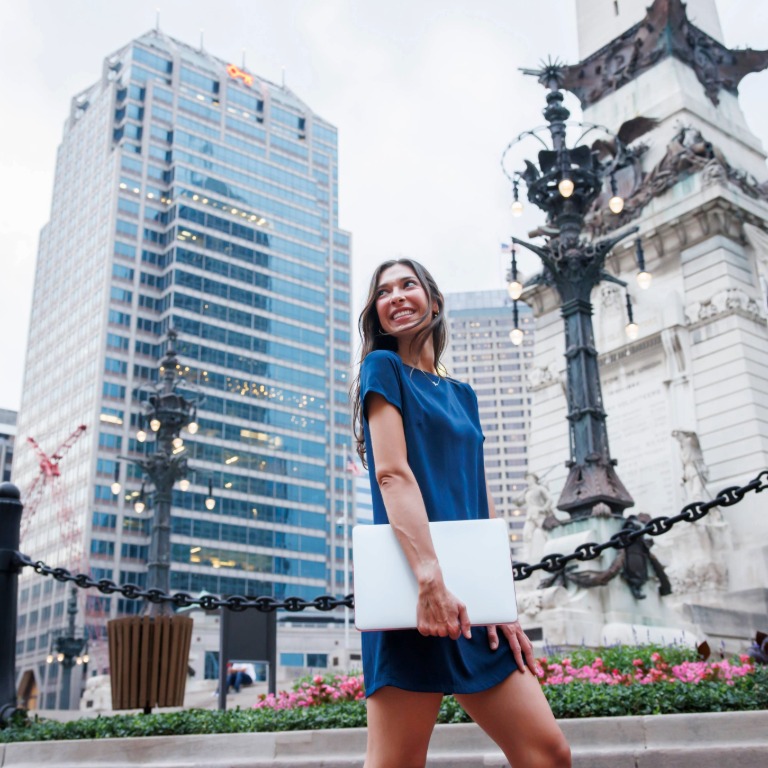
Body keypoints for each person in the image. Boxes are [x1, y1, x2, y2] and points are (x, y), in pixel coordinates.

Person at [351, 258, 571, 768]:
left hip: (472, 599)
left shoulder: (463, 395)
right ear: (377, 313)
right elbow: (392, 474)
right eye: (383, 292)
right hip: (414, 590)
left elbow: (479, 498)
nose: (395, 296)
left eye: (407, 284)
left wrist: (503, 604)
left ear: (434, 301)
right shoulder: (382, 368)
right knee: (396, 763)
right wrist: (429, 579)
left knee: (547, 752)